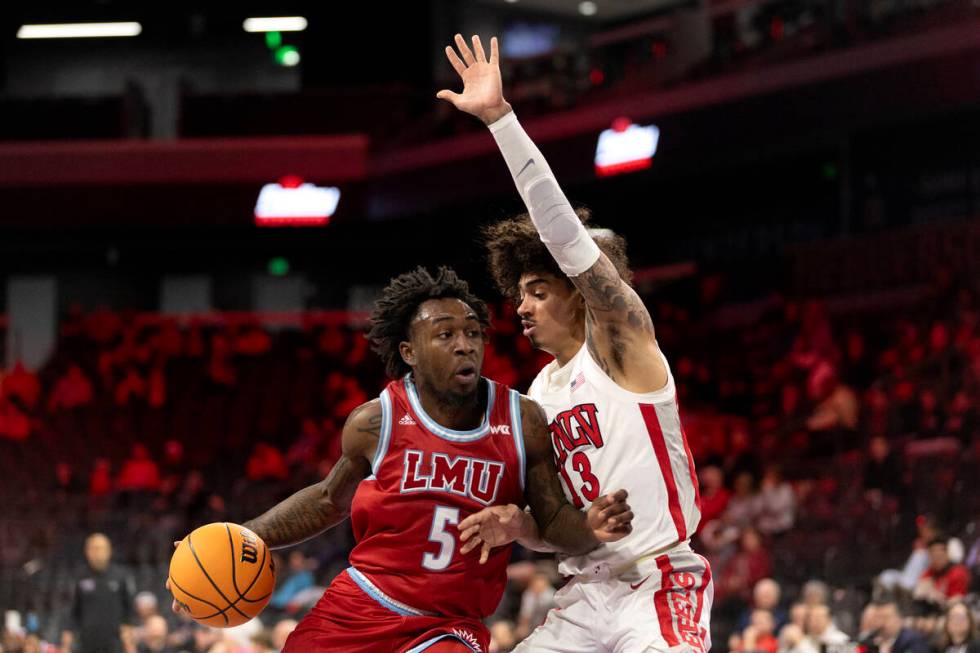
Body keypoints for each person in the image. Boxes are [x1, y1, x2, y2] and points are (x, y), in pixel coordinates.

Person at [167, 266, 633, 653]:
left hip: (450, 624)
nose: (464, 344)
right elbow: (330, 501)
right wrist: (239, 539)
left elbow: (552, 519)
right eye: (445, 334)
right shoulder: (377, 420)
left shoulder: (522, 420)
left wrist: (588, 526)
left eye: (473, 332)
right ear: (408, 352)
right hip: (362, 604)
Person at [439, 34, 711, 652]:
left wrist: (501, 121)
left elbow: (563, 235)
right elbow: (568, 527)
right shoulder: (542, 389)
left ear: (578, 293)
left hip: (658, 582)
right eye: (521, 292)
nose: (522, 305)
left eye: (538, 290)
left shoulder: (619, 342)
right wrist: (522, 528)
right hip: (583, 595)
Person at [62, 533, 136, 653]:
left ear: (109, 551)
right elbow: (72, 610)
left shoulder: (121, 575)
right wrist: (66, 642)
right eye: (94, 548)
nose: (98, 553)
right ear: (87, 551)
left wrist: (129, 640)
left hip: (114, 642)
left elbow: (129, 610)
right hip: (86, 642)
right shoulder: (79, 576)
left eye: (101, 548)